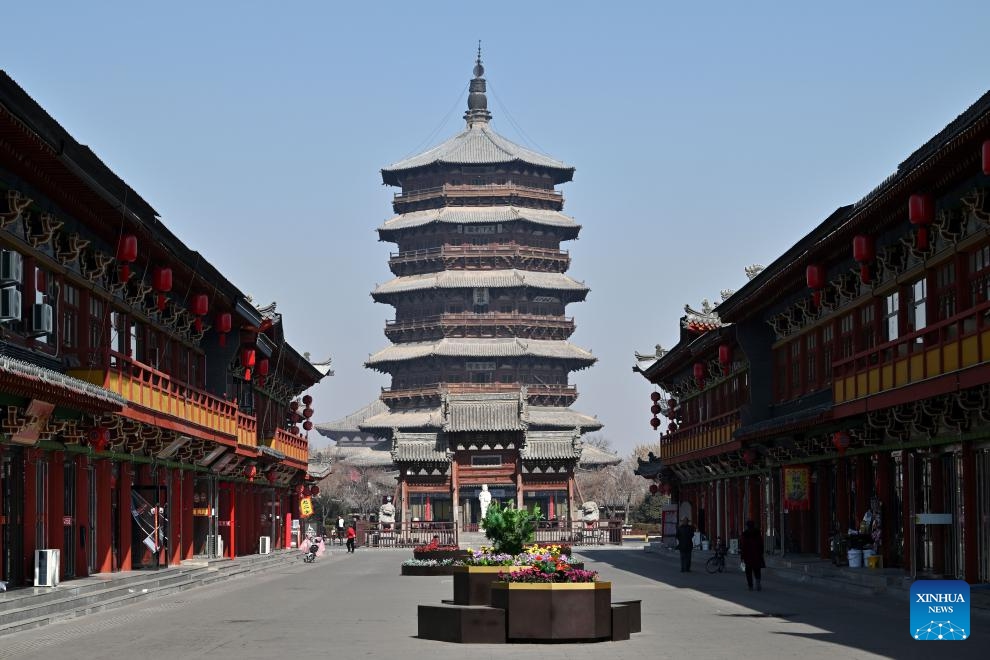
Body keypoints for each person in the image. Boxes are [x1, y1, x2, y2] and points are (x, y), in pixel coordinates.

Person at [740, 520, 766, 591]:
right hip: (757, 555)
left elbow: (743, 546)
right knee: (757, 570)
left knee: (748, 572)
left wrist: (742, 557)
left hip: (747, 556)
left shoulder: (745, 534)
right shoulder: (757, 533)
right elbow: (761, 544)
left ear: (747, 526)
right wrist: (761, 553)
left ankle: (750, 586)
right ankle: (758, 583)